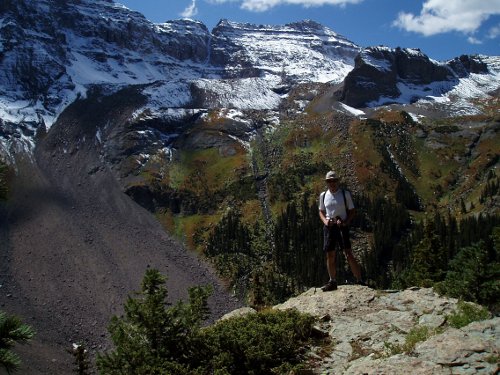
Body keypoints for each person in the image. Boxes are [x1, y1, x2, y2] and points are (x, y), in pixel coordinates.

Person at [318, 170, 362, 291]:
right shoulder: (323, 195)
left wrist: (346, 222)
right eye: (329, 181)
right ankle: (332, 281)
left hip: (342, 226)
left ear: (337, 181)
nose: (332, 183)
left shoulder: (344, 194)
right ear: (327, 182)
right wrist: (326, 221)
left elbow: (352, 211)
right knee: (330, 254)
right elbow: (321, 211)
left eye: (334, 180)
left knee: (348, 253)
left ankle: (359, 280)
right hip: (329, 227)